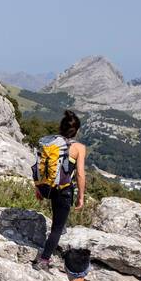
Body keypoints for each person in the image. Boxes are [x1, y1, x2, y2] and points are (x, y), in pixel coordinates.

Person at [31, 110, 86, 270]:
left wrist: (38, 187)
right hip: (63, 191)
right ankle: (44, 260)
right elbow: (80, 175)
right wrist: (81, 197)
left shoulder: (50, 142)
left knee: (58, 219)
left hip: (46, 187)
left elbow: (39, 164)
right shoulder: (78, 148)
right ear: (77, 130)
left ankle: (57, 234)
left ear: (61, 128)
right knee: (57, 228)